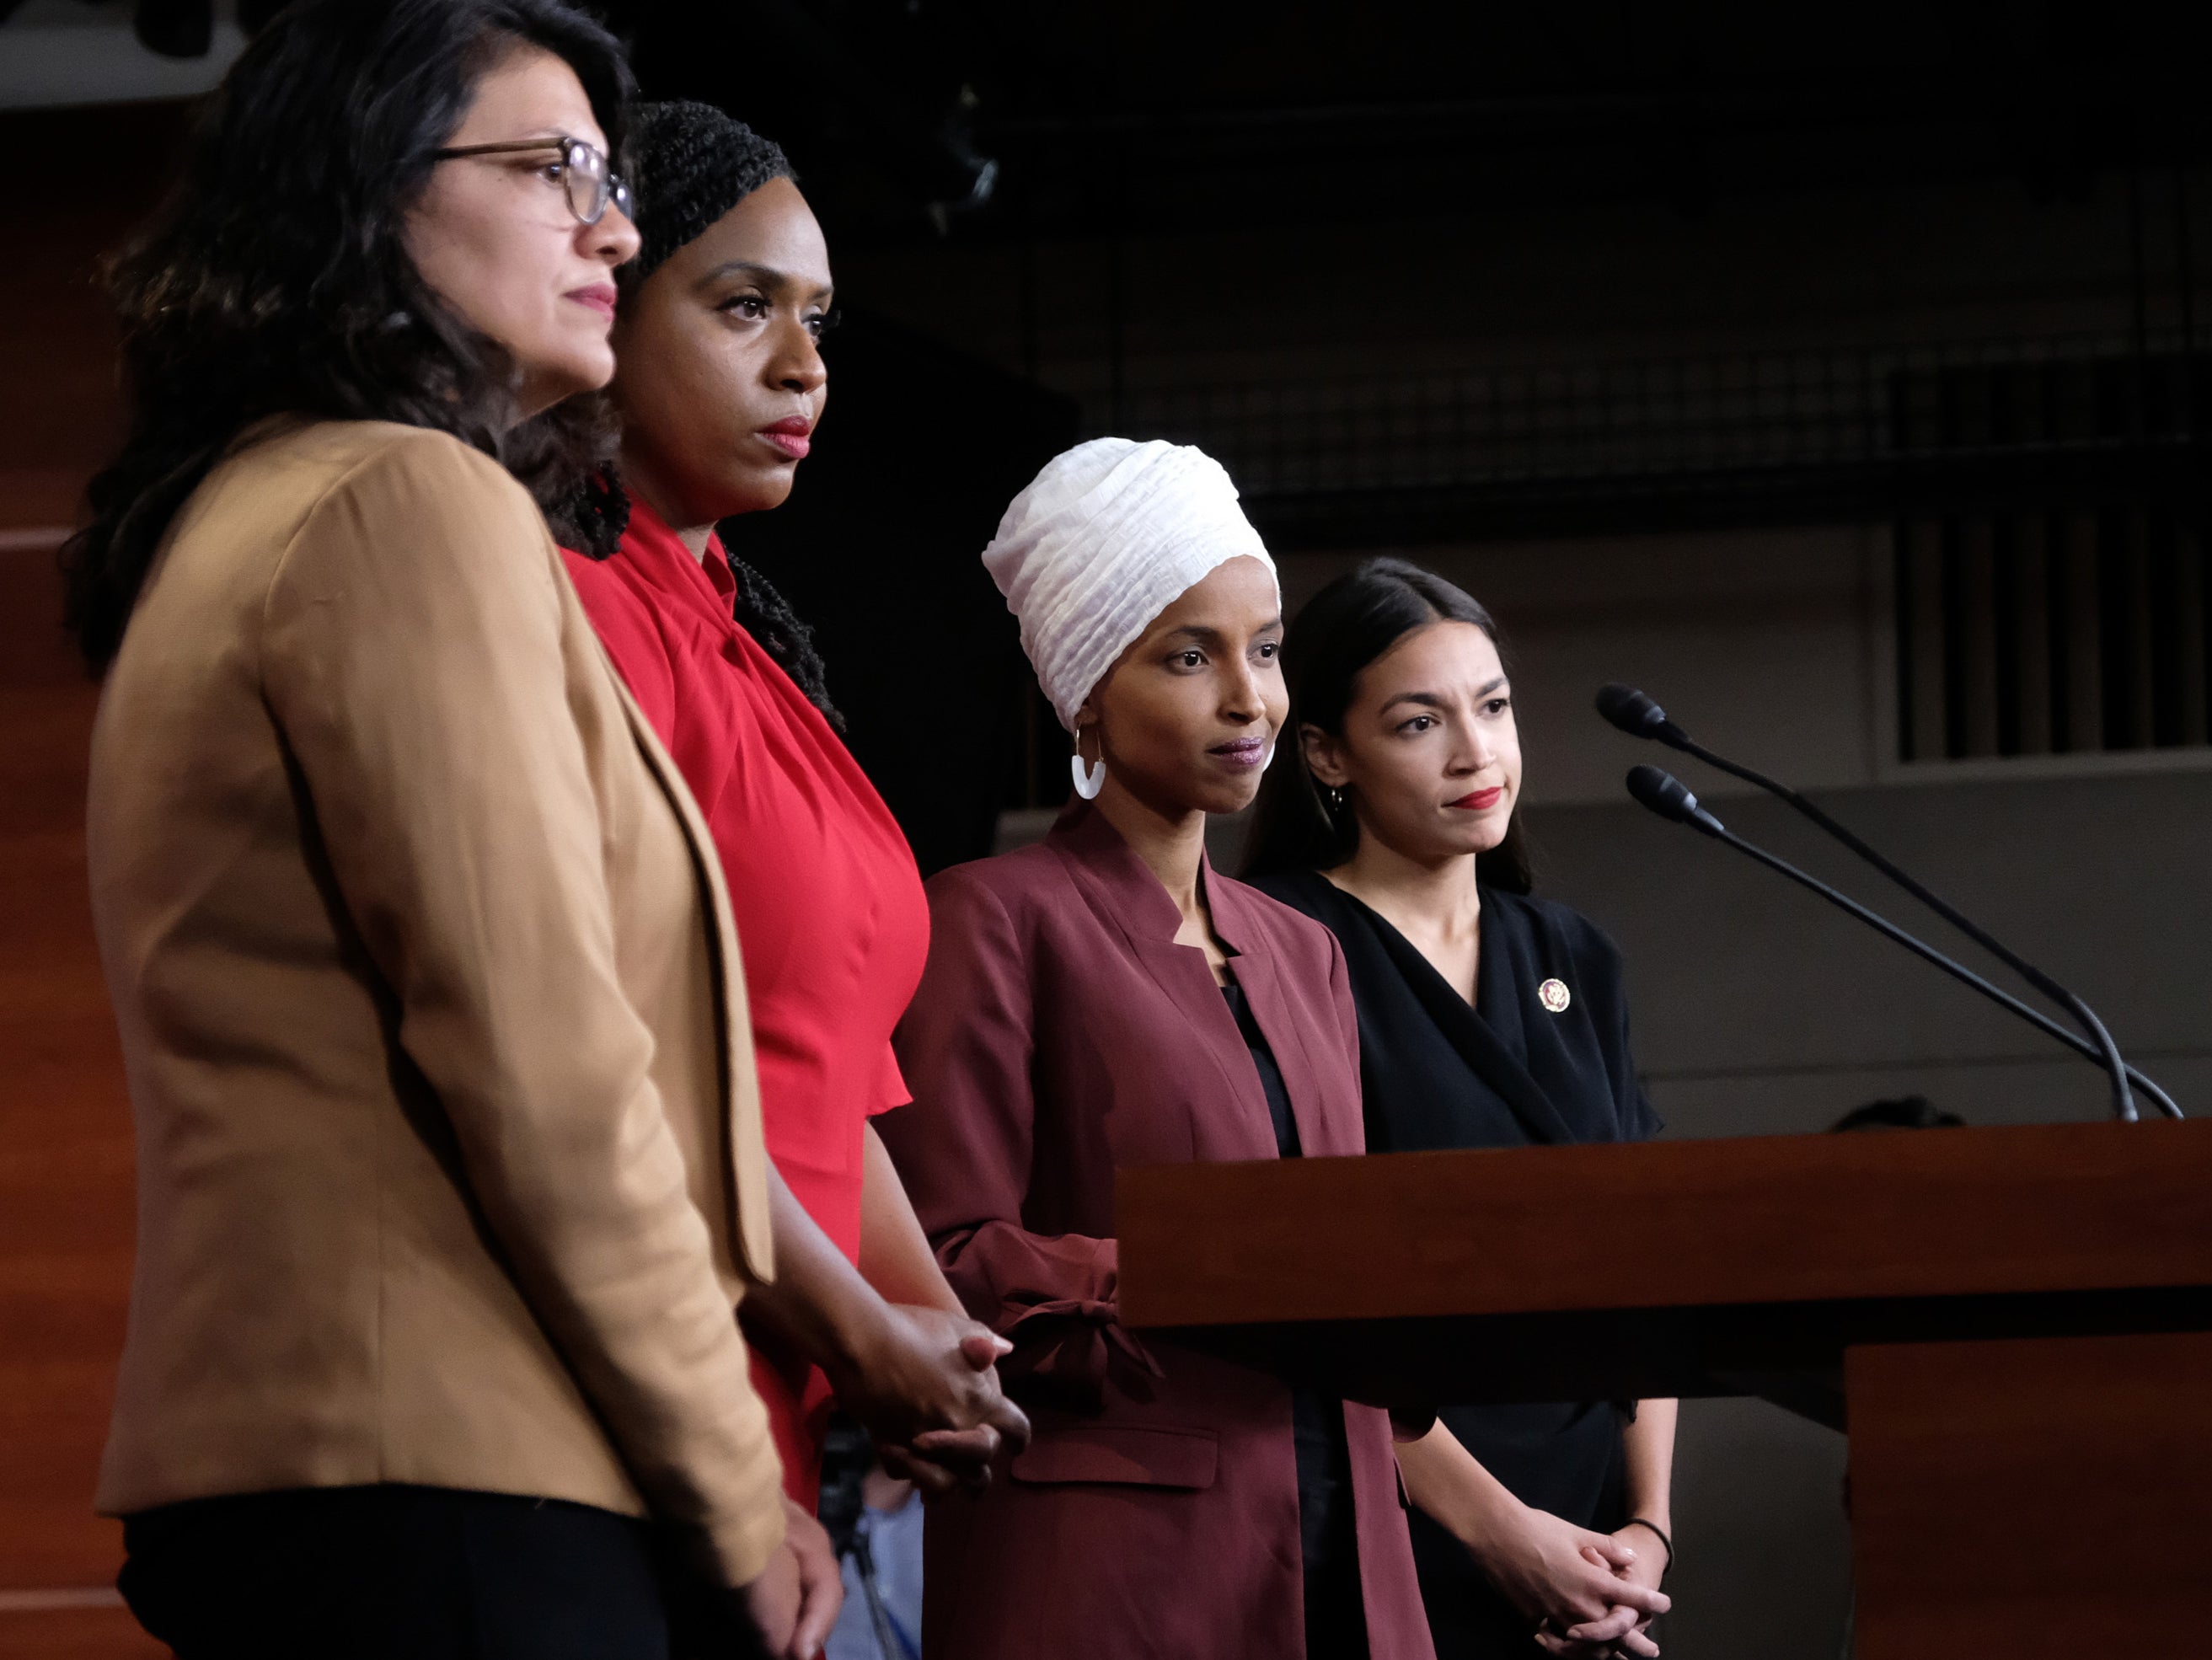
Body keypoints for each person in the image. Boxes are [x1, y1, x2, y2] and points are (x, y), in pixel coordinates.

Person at [64, 5, 831, 1654]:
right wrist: (729, 1468)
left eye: (608, 181)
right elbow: (547, 1068)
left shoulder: (262, 502)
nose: (612, 229)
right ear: (370, 192)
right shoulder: (407, 504)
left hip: (344, 1464)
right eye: (555, 169)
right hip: (457, 1475)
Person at [878, 437, 1447, 1660]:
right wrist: (1212, 1268)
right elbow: (937, 1257)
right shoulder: (992, 915)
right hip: (1115, 1569)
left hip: (1344, 1539)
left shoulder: (1306, 951)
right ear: (1086, 687)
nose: (1249, 697)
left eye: (1267, 648)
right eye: (1189, 656)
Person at [551, 100, 1030, 1508]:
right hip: (628, 1394)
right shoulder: (573, 608)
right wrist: (866, 1335)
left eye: (818, 317)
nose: (804, 365)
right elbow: (612, 1065)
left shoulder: (756, 646)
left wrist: (936, 1337)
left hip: (771, 1393)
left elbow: (830, 1083)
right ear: (606, 312)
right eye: (744, 305)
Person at [1245, 558, 1676, 1659]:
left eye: (1490, 707)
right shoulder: (1278, 944)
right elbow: (1296, 1299)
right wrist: (1500, 1532)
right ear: (1326, 754)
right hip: (1398, 1517)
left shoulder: (1573, 952)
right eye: (1416, 722)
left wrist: (1645, 1529)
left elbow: (1657, 1256)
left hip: (1592, 1539)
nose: (1474, 751)